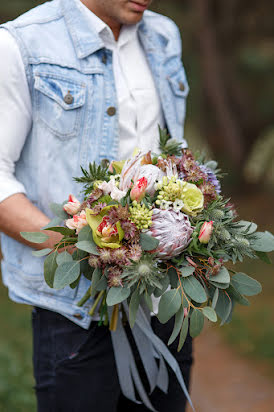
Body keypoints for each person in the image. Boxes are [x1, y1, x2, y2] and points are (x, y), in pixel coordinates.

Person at [0, 0, 193, 410]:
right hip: (76, 314)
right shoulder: (22, 44)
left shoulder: (163, 36)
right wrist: (85, 248)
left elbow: (173, 153)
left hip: (167, 303)